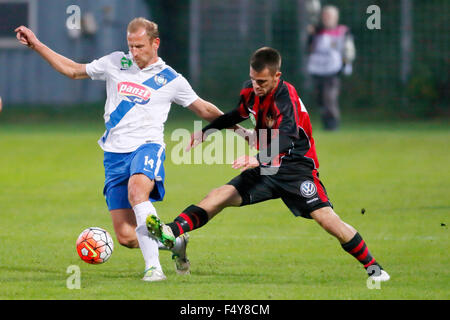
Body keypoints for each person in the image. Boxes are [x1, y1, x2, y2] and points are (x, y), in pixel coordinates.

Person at [15, 18, 248, 282]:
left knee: (138, 191)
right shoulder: (116, 62)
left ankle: (154, 269)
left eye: (139, 46)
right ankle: (174, 241)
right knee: (126, 236)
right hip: (114, 154)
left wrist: (244, 133)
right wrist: (36, 45)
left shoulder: (171, 79)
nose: (134, 52)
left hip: (147, 147)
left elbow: (205, 110)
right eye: (130, 46)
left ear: (155, 43)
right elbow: (73, 70)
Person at [147, 47, 390, 282]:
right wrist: (208, 131)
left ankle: (374, 268)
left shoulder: (286, 97)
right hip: (266, 168)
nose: (256, 85)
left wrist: (258, 158)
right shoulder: (251, 91)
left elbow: (288, 135)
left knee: (327, 219)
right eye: (253, 79)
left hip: (296, 168)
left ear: (277, 76)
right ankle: (171, 231)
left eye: (262, 81)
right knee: (219, 195)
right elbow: (237, 114)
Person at [307, 5, 355, 131]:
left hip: (333, 69)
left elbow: (348, 49)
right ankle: (325, 122)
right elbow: (308, 49)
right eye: (325, 16)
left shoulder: (343, 31)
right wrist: (310, 35)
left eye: (330, 16)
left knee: (330, 97)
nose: (327, 18)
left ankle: (333, 124)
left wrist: (346, 63)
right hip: (318, 69)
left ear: (336, 18)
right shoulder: (316, 32)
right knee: (320, 98)